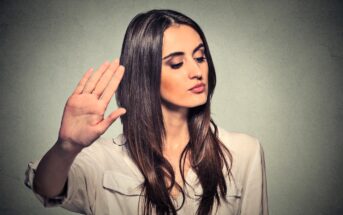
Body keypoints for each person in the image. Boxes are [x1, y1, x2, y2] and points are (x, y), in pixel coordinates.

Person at [25, 9, 268, 215]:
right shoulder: (101, 159)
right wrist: (66, 147)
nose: (196, 71)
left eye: (200, 57)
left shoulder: (244, 152)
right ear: (145, 74)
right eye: (176, 63)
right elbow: (46, 189)